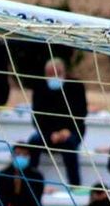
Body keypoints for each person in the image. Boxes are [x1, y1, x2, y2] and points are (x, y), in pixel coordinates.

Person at [28, 58, 87, 188]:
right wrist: (50, 133)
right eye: (50, 74)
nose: (54, 77)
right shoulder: (40, 88)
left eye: (57, 73)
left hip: (71, 131)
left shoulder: (76, 86)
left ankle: (75, 185)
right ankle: (30, 182)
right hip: (47, 132)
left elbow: (81, 113)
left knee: (69, 144)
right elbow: (37, 117)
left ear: (64, 72)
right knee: (33, 141)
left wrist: (66, 131)